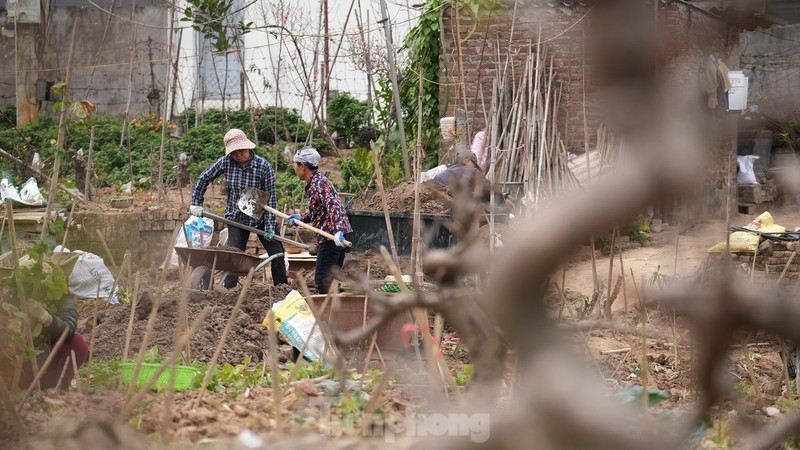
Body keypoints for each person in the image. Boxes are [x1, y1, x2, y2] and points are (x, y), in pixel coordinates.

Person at [189, 128, 287, 287]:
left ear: (248, 147)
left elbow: (271, 198)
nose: (238, 155)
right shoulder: (226, 162)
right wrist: (196, 202)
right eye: (234, 152)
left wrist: (269, 226)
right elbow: (204, 178)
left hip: (261, 219)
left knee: (277, 255)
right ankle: (229, 294)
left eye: (241, 150)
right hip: (237, 219)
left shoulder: (263, 166)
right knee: (233, 259)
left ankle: (282, 290)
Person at [1, 258, 88, 390]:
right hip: (16, 361)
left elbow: (69, 328)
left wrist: (44, 316)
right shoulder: (13, 295)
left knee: (78, 343)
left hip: (49, 358)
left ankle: (59, 387)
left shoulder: (61, 296)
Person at [288, 146, 353, 294]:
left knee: (322, 279)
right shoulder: (315, 182)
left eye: (295, 164)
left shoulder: (318, 184)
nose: (294, 167)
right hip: (335, 235)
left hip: (332, 238)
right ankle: (337, 309)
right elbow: (318, 212)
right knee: (332, 278)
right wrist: (301, 218)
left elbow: (334, 207)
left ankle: (327, 314)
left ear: (302, 166)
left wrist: (338, 231)